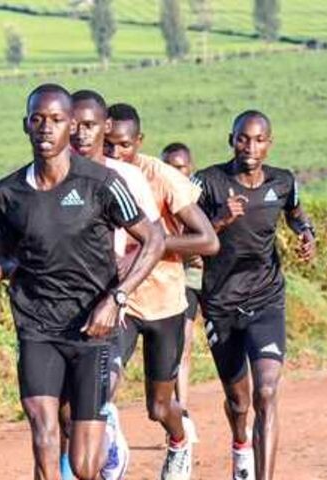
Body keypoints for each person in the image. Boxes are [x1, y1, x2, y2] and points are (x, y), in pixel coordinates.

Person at [0, 84, 164, 480]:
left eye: (57, 120)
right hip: (37, 326)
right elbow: (9, 256)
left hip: (92, 328)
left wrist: (117, 298)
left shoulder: (102, 183)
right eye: (38, 119)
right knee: (43, 430)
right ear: (26, 125)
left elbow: (154, 240)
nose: (46, 128)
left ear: (71, 125)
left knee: (83, 466)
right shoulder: (8, 192)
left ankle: (106, 439)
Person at [193, 110, 315, 480]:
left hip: (266, 298)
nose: (250, 147)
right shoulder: (207, 183)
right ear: (231, 140)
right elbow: (185, 237)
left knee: (266, 391)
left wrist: (306, 233)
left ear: (269, 144)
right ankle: (240, 444)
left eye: (259, 140)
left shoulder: (283, 181)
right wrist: (219, 220)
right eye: (243, 139)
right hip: (221, 303)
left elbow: (295, 213)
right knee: (239, 401)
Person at [104, 103, 219, 480]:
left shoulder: (162, 176)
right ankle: (109, 441)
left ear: (139, 141)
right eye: (108, 144)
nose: (114, 153)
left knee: (158, 406)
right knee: (103, 384)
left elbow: (208, 241)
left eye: (123, 145)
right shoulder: (94, 173)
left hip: (164, 304)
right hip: (120, 300)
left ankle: (179, 440)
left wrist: (152, 243)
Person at [63, 89, 162, 480]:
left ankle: (104, 435)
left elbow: (152, 238)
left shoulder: (126, 177)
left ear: (104, 127)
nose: (79, 133)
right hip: (52, 307)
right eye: (72, 124)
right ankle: (100, 431)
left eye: (88, 125)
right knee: (59, 410)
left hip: (106, 302)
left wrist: (122, 283)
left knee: (91, 396)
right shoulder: (45, 174)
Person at [160, 142, 202, 416]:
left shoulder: (198, 194)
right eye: (168, 166)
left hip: (198, 275)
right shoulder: (155, 192)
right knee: (178, 344)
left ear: (190, 168)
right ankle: (178, 410)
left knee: (186, 343)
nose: (174, 172)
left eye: (180, 167)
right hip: (171, 272)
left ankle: (181, 409)